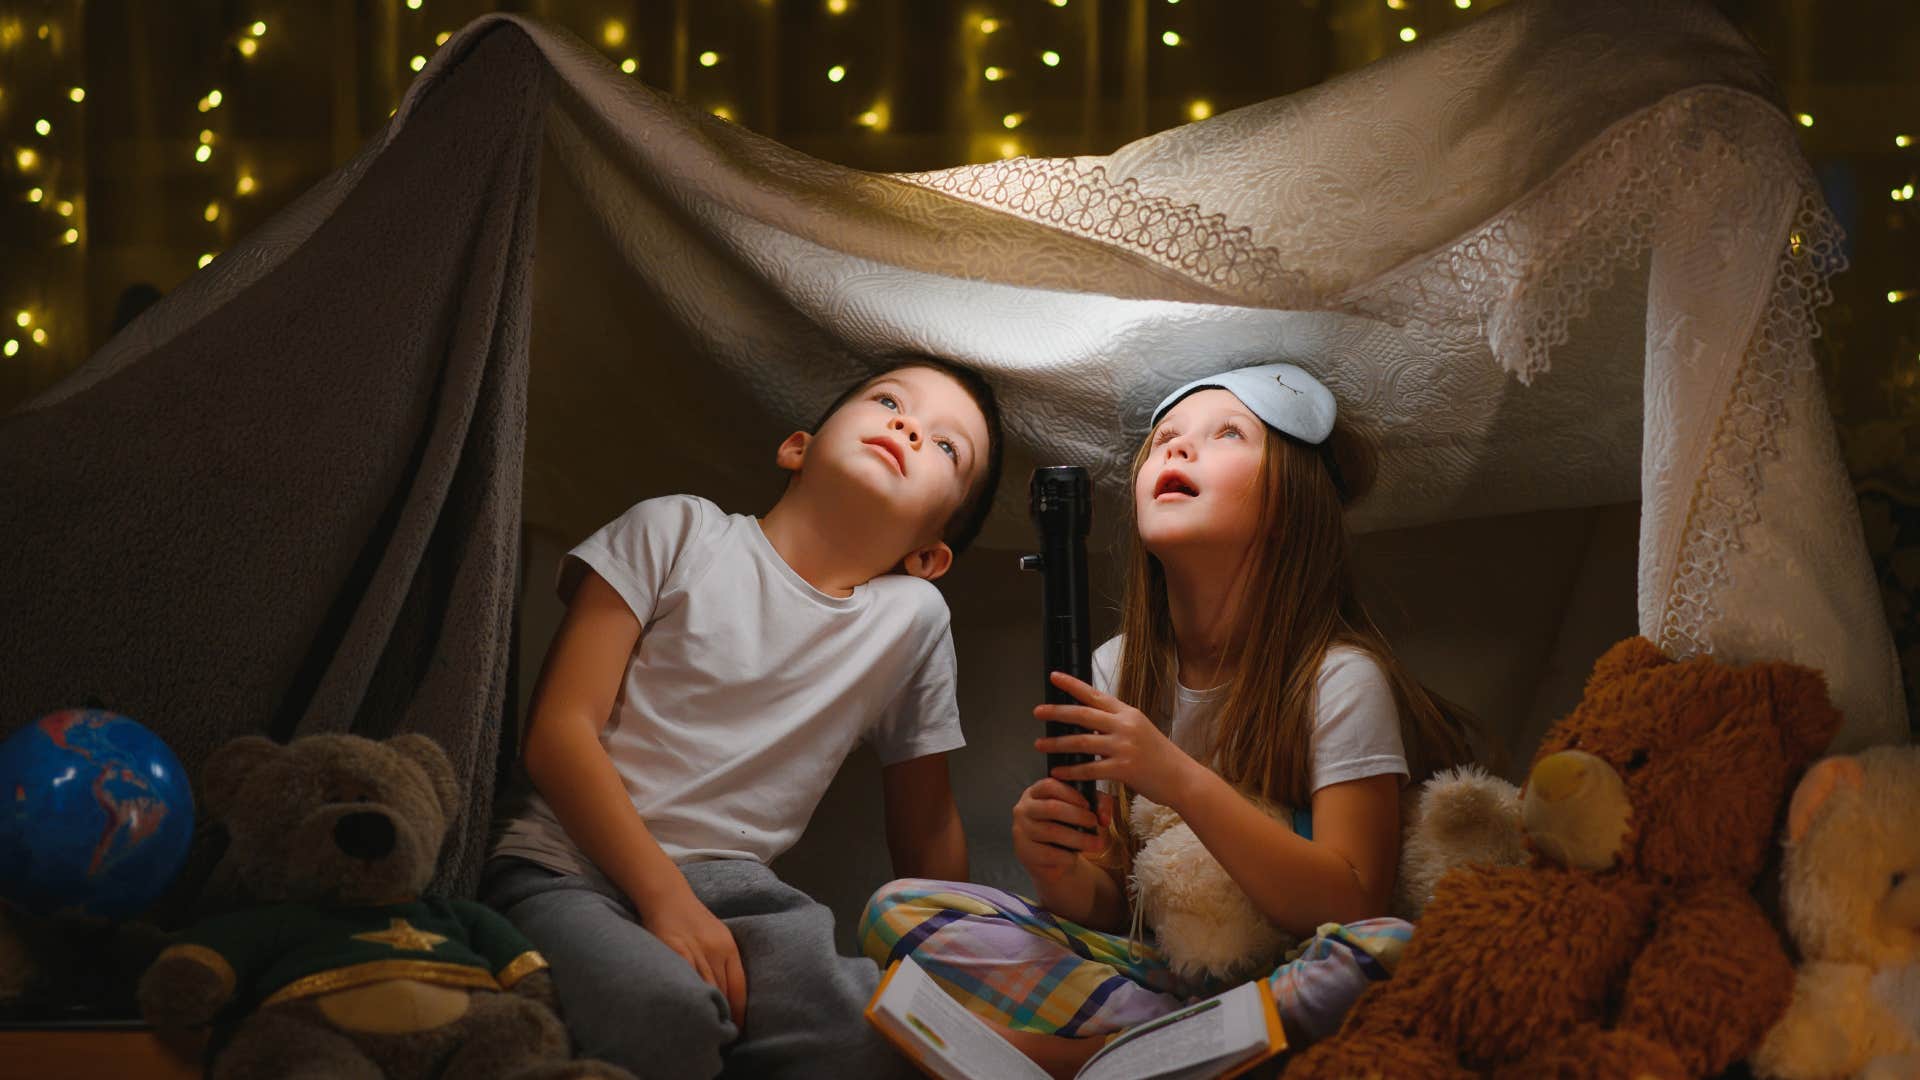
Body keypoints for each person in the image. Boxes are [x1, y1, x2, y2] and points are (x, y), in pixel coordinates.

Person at [859, 362, 1473, 1078]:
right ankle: (1166, 1052)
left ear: (1291, 505)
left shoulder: (1337, 676)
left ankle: (1077, 1060)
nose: (1177, 447)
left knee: (1383, 952)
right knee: (897, 912)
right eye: (1164, 439)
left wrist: (1175, 776)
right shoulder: (1117, 669)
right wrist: (1056, 868)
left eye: (1227, 434)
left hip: (1292, 967)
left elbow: (1351, 902)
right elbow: (1112, 905)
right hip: (1164, 982)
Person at [482, 357, 1004, 1080]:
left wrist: (959, 973)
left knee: (886, 1042)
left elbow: (926, 826)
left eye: (948, 447)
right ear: (797, 447)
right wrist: (665, 900)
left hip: (738, 897)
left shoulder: (911, 620)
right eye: (889, 401)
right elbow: (556, 735)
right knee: (665, 1016)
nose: (910, 428)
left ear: (929, 555)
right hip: (563, 864)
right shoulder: (677, 530)